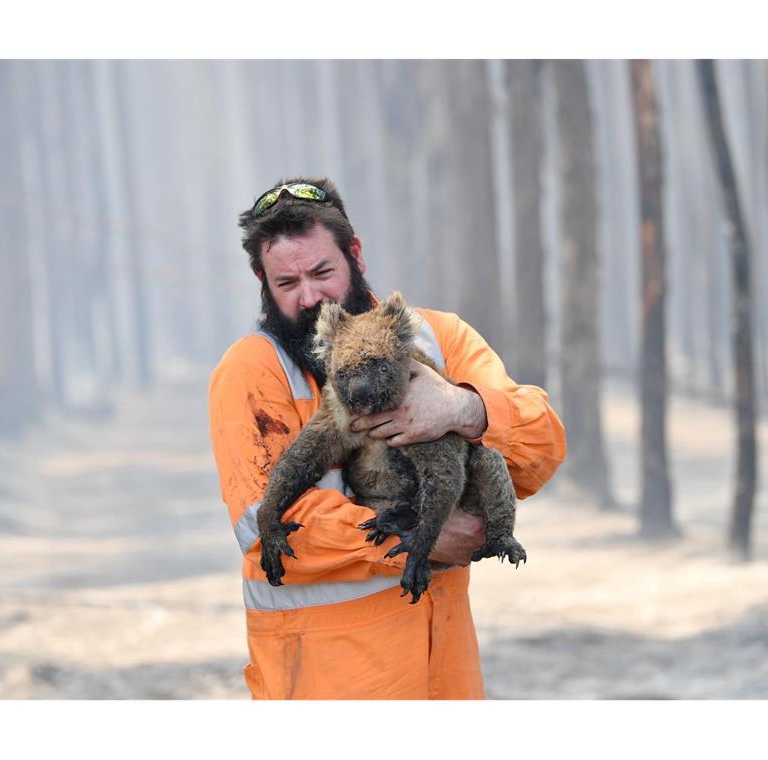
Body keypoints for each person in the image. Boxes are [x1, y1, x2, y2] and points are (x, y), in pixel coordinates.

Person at [208, 177, 565, 699]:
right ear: (263, 282)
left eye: (322, 272)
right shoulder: (254, 370)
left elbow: (542, 448)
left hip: (444, 674)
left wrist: (464, 408)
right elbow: (262, 521)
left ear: (355, 255)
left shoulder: (436, 339)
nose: (310, 297)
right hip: (322, 686)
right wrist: (415, 539)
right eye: (287, 283)